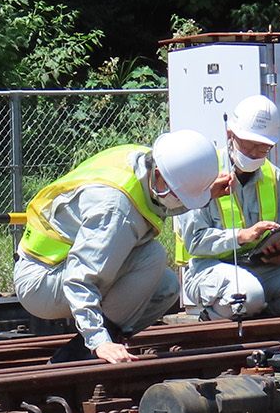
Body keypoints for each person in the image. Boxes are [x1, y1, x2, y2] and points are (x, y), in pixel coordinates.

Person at [14, 129, 228, 363]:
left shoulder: (144, 162)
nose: (178, 200)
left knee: (166, 286)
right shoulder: (115, 210)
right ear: (159, 175)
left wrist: (201, 195)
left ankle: (105, 340)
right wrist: (99, 341)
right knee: (153, 256)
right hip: (43, 282)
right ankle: (81, 354)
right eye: (179, 194)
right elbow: (80, 278)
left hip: (56, 267)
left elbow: (158, 200)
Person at [175, 94, 280, 321]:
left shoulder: (272, 175)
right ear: (231, 136)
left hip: (260, 266)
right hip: (209, 267)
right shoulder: (204, 173)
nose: (256, 154)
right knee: (249, 295)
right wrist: (242, 236)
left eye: (263, 148)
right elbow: (195, 241)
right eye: (250, 146)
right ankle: (214, 317)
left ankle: (257, 317)